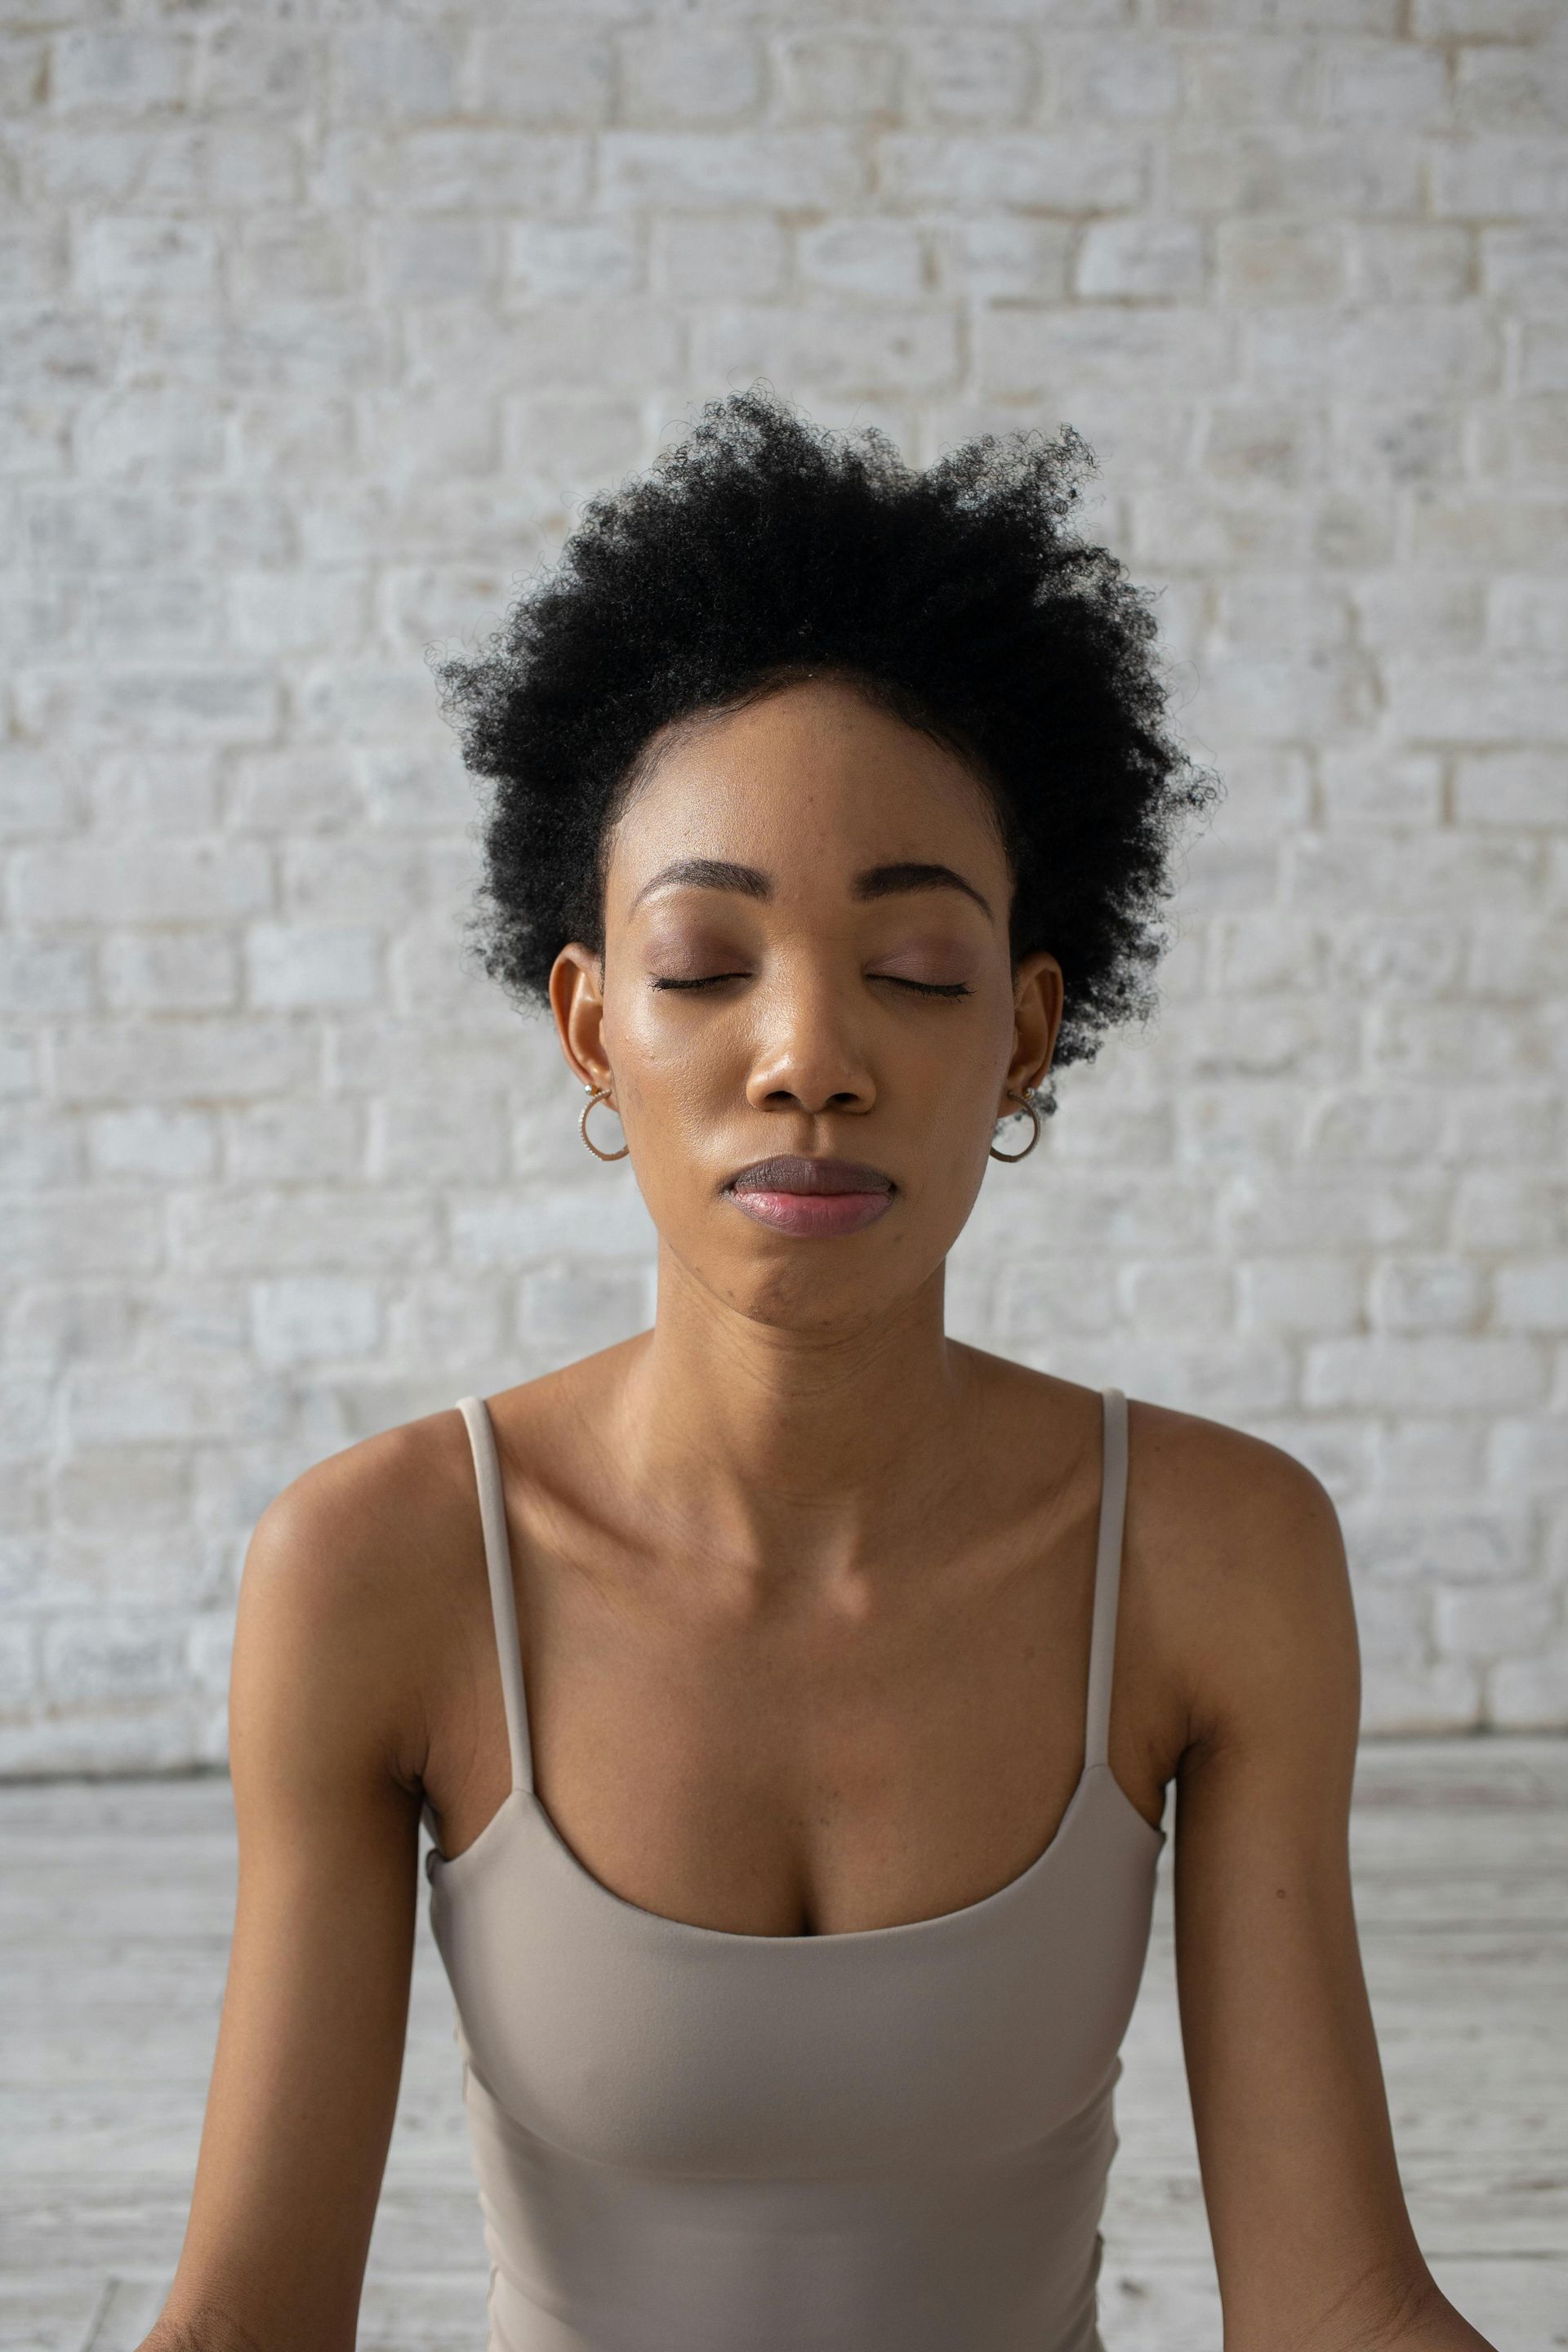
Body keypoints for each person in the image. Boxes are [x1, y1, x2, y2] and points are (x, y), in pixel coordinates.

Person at [140, 388, 1495, 2352]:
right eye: (705, 969)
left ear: (1027, 1031)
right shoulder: (384, 1570)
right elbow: (250, 2324)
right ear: (593, 1029)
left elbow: (1336, 2303)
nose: (808, 1057)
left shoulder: (1217, 1556)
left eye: (919, 972)